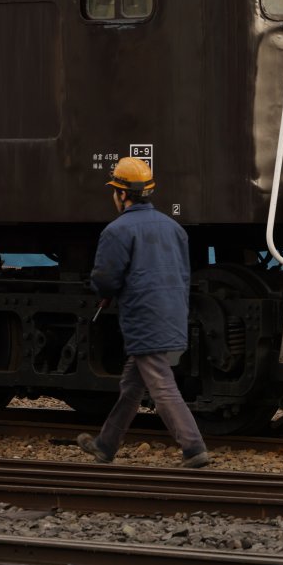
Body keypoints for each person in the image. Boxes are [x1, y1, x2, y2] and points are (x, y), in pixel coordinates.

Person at [76, 156, 209, 468]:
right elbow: (183, 274)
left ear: (122, 194)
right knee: (132, 386)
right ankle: (105, 445)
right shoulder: (174, 228)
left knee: (161, 385)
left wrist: (105, 294)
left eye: (114, 191)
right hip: (173, 314)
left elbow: (105, 278)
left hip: (144, 318)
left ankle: (193, 447)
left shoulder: (117, 230)